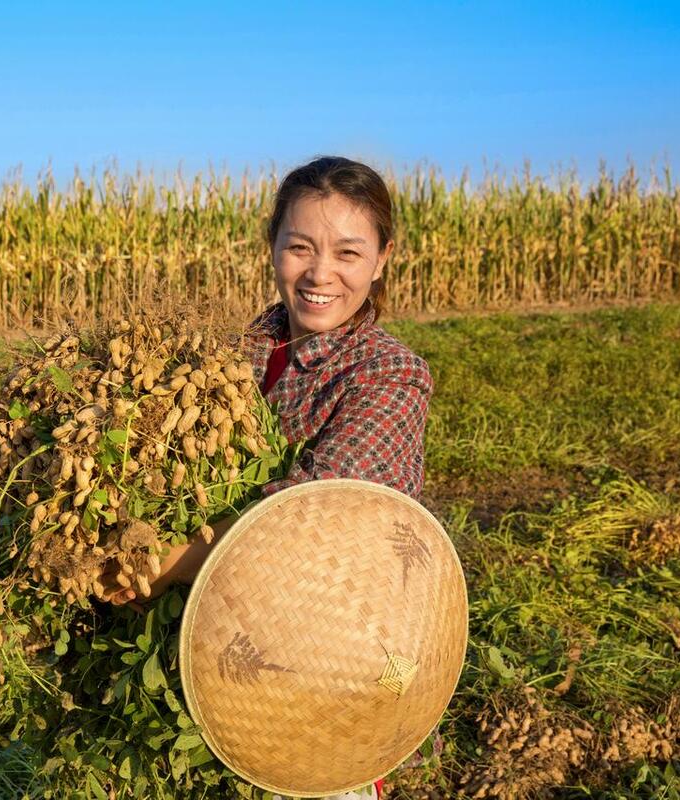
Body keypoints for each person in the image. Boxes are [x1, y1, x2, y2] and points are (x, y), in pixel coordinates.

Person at [100, 156, 436, 800]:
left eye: (347, 253)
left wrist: (160, 564)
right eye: (300, 247)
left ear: (382, 260)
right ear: (272, 244)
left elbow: (306, 520)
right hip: (208, 638)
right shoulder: (238, 348)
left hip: (321, 656)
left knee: (308, 775)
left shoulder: (390, 375)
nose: (320, 274)